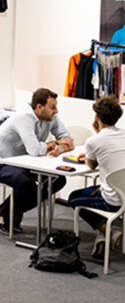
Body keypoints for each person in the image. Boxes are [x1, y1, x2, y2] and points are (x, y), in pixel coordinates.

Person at [67, 96, 125, 258]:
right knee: (95, 190)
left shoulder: (94, 140)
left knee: (74, 198)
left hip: (112, 201)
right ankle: (103, 236)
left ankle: (109, 231)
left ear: (98, 117)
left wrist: (95, 139)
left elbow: (91, 165)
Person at [0, 88, 74, 234]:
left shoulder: (51, 117)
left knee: (58, 179)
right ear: (39, 107)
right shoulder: (24, 117)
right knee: (25, 183)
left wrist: (58, 147)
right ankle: (9, 214)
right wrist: (53, 143)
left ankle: (5, 212)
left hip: (25, 162)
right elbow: (34, 150)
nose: (56, 111)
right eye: (52, 107)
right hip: (3, 162)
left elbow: (69, 140)